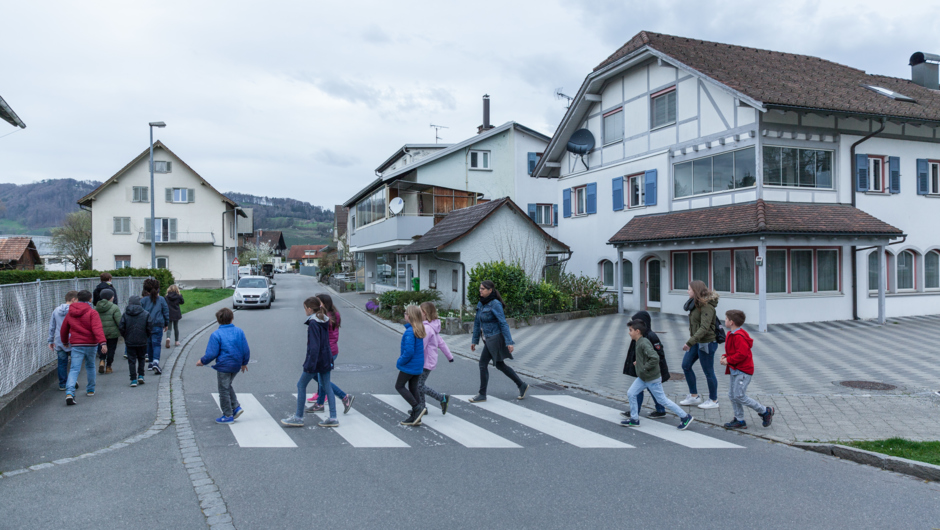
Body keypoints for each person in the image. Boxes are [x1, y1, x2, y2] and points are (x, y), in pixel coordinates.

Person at [622, 320, 694, 430]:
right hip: (644, 377)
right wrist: (639, 363)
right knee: (631, 393)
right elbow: (646, 358)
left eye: (630, 330)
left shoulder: (644, 342)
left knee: (662, 400)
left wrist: (643, 367)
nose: (629, 332)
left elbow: (655, 358)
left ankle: (685, 417)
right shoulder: (639, 342)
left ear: (637, 331)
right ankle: (634, 419)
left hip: (652, 378)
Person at [282, 297, 338, 428]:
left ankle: (298, 417)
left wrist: (309, 366)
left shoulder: (313, 323)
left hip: (315, 361)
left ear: (309, 309)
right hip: (326, 359)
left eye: (304, 308)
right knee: (327, 386)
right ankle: (333, 417)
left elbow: (314, 347)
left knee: (301, 385)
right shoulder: (324, 320)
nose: (304, 311)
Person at [469, 280, 529, 403]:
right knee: (500, 364)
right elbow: (477, 323)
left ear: (490, 290)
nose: (480, 290)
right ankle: (521, 385)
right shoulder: (481, 304)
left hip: (495, 338)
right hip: (487, 337)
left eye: (483, 289)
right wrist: (474, 340)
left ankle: (482, 394)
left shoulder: (495, 304)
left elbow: (503, 323)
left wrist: (509, 342)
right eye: (480, 288)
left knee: (482, 363)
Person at [720, 310, 774, 429]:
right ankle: (739, 419)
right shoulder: (732, 334)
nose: (725, 321)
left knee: (739, 395)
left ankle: (765, 411)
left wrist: (728, 360)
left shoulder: (739, 336)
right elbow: (734, 351)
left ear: (731, 322)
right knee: (732, 395)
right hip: (736, 369)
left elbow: (742, 354)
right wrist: (726, 356)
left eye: (726, 319)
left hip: (743, 371)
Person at [197, 308, 251, 424]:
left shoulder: (216, 334)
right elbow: (245, 349)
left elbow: (212, 353)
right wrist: (244, 363)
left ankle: (228, 415)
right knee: (227, 385)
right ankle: (235, 407)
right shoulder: (239, 331)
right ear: (232, 318)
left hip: (224, 366)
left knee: (223, 389)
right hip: (236, 364)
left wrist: (202, 361)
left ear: (218, 320)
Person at [305, 293, 354, 415]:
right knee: (321, 378)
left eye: (318, 302)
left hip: (326, 351)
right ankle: (320, 404)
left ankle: (344, 397)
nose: (316, 304)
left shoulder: (324, 317)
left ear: (323, 303)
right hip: (332, 350)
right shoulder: (333, 313)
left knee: (320, 378)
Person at [679, 280, 720, 410]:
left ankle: (713, 400)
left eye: (689, 289)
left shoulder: (707, 306)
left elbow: (704, 328)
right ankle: (694, 396)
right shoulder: (695, 304)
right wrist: (693, 341)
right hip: (697, 341)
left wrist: (689, 342)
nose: (687, 291)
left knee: (708, 372)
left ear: (695, 291)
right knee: (686, 365)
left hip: (707, 342)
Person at [60, 290, 106, 405]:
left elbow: (64, 329)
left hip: (76, 344)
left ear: (77, 299)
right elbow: (97, 328)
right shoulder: (92, 313)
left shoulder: (70, 313)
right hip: (91, 344)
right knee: (90, 366)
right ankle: (90, 389)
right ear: (90, 300)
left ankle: (69, 392)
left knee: (74, 369)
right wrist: (103, 343)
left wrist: (65, 341)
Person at [622, 310, 669, 419]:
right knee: (645, 389)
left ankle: (642, 411)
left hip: (651, 369)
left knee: (647, 389)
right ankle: (642, 411)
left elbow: (658, 354)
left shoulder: (651, 336)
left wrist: (645, 365)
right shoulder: (639, 335)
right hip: (644, 369)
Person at [417, 301, 454, 414]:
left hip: (425, 361)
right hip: (428, 360)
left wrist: (413, 358)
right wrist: (450, 356)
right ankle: (422, 408)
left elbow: (421, 346)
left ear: (425, 313)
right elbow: (441, 343)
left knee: (418, 385)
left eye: (420, 311)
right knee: (420, 384)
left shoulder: (427, 328)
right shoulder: (433, 327)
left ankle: (441, 398)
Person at [395, 305, 426, 426]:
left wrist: (400, 361)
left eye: (406, 313)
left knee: (399, 386)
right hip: (417, 365)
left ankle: (417, 408)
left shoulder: (409, 331)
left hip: (409, 365)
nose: (404, 315)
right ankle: (416, 416)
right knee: (413, 388)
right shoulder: (418, 329)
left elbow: (409, 352)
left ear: (410, 316)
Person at [48, 291, 79, 391]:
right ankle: (72, 381)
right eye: (78, 300)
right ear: (73, 299)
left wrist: (50, 340)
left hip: (60, 340)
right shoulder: (75, 310)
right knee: (75, 363)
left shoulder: (56, 310)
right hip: (74, 339)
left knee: (62, 362)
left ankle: (62, 383)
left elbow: (52, 326)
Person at [120, 296, 151, 387]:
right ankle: (141, 375)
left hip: (130, 340)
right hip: (142, 339)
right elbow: (149, 327)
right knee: (141, 358)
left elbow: (121, 327)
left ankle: (133, 379)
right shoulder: (146, 314)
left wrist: (125, 336)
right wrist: (146, 336)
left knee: (131, 360)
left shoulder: (125, 314)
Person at [140, 278, 169, 375]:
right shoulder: (161, 299)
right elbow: (165, 311)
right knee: (156, 344)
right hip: (157, 324)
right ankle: (156, 362)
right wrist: (166, 323)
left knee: (149, 344)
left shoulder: (143, 300)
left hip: (146, 325)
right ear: (158, 289)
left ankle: (151, 363)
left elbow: (141, 313)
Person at [95, 289, 121, 375]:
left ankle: (102, 360)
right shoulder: (114, 307)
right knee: (111, 349)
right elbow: (119, 321)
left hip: (100, 332)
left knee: (102, 346)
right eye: (112, 296)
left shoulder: (96, 308)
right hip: (112, 333)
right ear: (110, 297)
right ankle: (108, 366)